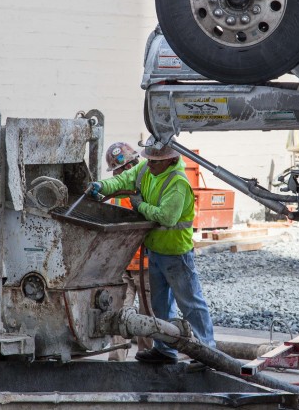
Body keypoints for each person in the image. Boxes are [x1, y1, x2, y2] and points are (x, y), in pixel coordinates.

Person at [90, 143, 215, 363]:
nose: (150, 164)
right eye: (149, 159)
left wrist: (140, 206)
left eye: (155, 161)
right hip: (155, 252)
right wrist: (101, 185)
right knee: (160, 306)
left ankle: (208, 352)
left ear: (170, 160)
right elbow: (121, 180)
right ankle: (165, 350)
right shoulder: (146, 169)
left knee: (191, 305)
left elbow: (166, 217)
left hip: (176, 255)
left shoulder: (177, 183)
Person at [102, 142, 153, 361]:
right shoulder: (115, 191)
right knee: (117, 314)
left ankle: (146, 356)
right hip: (123, 265)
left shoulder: (147, 187)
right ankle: (116, 359)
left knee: (146, 314)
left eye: (120, 169)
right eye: (117, 170)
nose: (118, 174)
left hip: (144, 264)